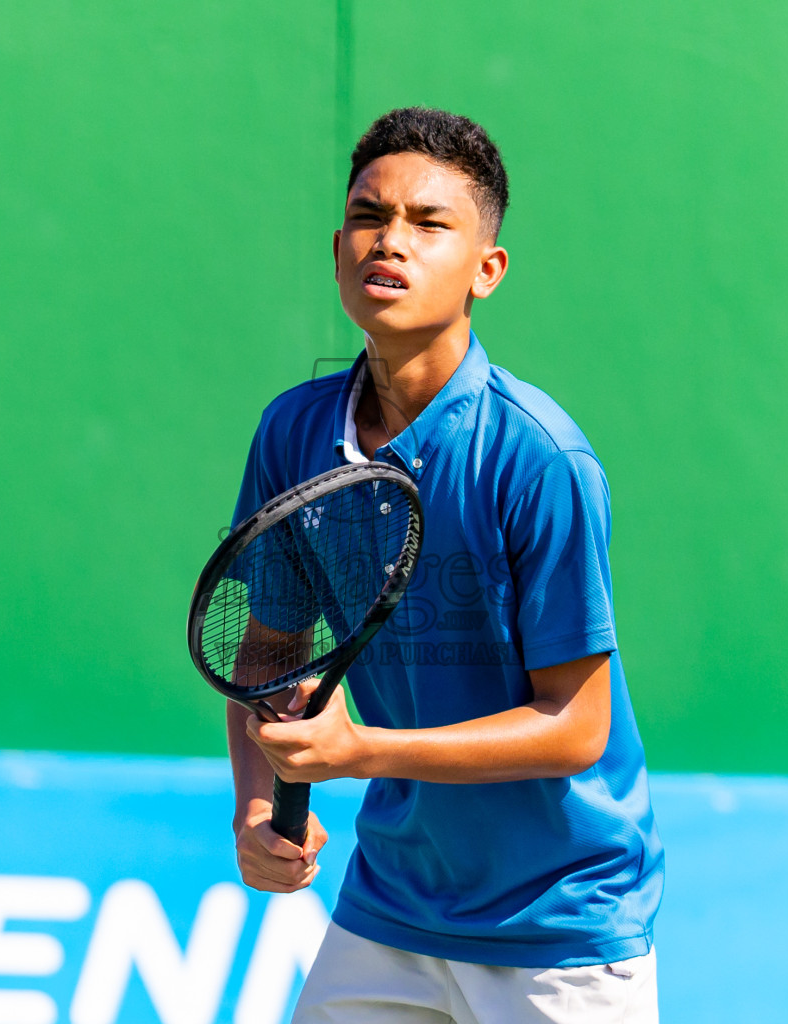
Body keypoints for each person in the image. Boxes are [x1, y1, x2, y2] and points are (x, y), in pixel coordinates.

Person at [225, 107, 663, 1023]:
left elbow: (575, 726)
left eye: (430, 224)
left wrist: (364, 753)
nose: (391, 241)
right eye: (368, 216)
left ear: (486, 270)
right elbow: (267, 654)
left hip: (559, 929)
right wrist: (258, 808)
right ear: (337, 247)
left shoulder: (540, 457)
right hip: (390, 910)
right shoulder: (294, 432)